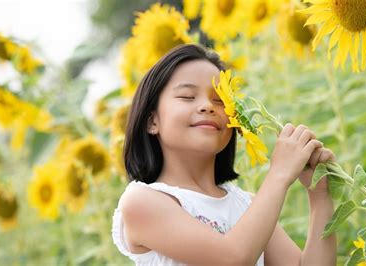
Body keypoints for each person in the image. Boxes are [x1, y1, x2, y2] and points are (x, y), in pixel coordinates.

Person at [111, 44, 337, 265]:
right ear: (152, 121)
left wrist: (319, 195)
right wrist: (279, 174)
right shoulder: (142, 201)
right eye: (188, 97)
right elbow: (233, 258)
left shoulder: (247, 204)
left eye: (220, 100)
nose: (207, 106)